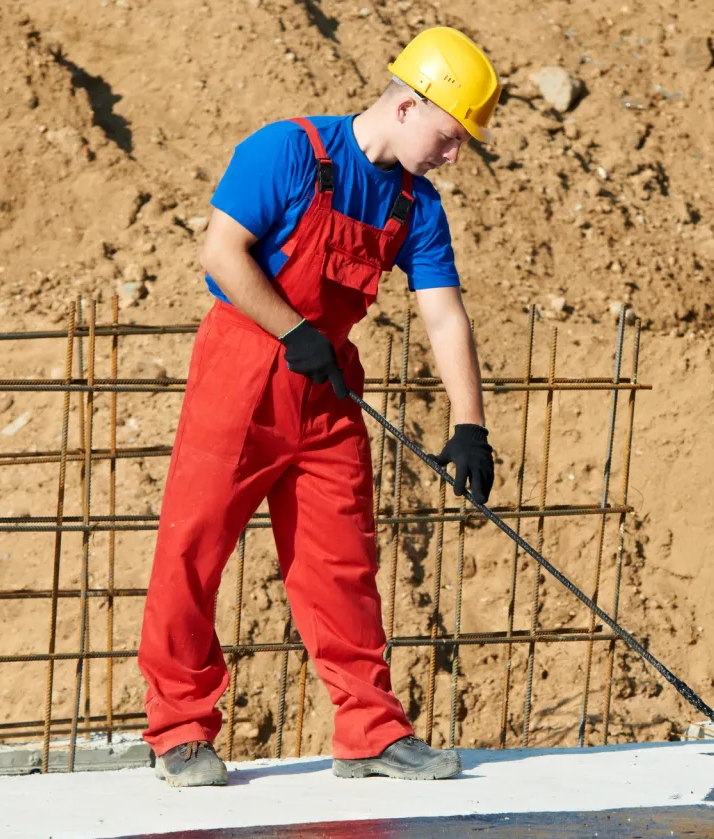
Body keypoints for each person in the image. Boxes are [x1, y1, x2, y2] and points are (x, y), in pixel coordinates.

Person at [137, 26, 499, 787]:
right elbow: (221, 252)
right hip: (242, 368)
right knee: (193, 550)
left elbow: (444, 315)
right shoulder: (288, 151)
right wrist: (292, 329)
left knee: (342, 563)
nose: (453, 153)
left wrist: (470, 426)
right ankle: (179, 729)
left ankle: (369, 731)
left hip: (327, 387)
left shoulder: (414, 205)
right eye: (449, 134)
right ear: (408, 105)